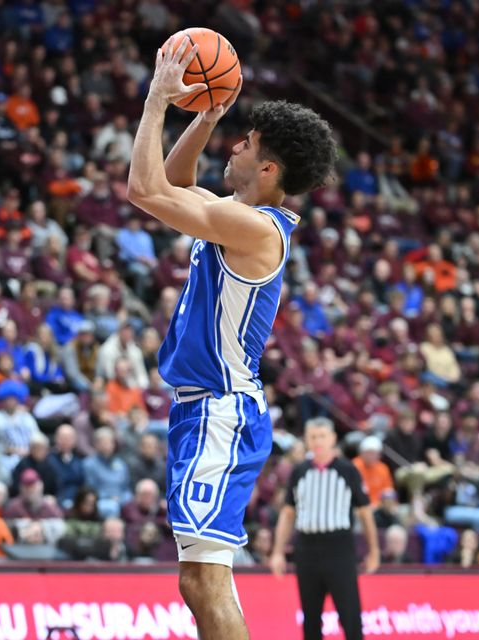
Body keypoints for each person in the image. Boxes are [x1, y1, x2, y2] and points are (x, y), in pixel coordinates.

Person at [127, 38, 337, 640]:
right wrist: (207, 114)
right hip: (205, 407)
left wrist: (156, 101)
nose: (235, 146)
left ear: (268, 169)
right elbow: (173, 178)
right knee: (200, 579)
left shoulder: (251, 227)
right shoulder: (238, 214)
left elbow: (146, 191)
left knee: (202, 581)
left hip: (221, 407)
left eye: (244, 143)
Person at [270, 418, 379, 640]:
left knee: (350, 615)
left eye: (322, 436)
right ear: (307, 440)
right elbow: (288, 513)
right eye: (313, 436)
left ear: (332, 439)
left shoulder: (348, 471)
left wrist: (374, 551)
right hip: (307, 549)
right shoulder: (299, 471)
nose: (317, 441)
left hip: (339, 549)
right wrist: (278, 551)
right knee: (310, 617)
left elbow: (365, 513)